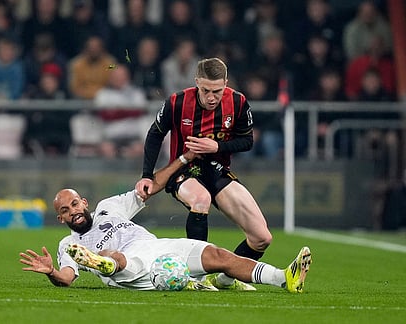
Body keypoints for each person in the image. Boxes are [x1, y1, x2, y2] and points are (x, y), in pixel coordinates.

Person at [19, 151, 312, 292]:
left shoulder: (109, 207)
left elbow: (148, 187)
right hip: (128, 271)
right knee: (114, 256)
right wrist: (51, 273)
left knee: (218, 255)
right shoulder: (69, 244)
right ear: (61, 219)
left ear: (84, 202)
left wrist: (183, 160)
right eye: (66, 211)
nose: (74, 211)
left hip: (155, 247)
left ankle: (284, 278)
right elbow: (67, 279)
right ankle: (102, 263)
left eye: (75, 204)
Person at [135, 58, 273, 288]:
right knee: (201, 199)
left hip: (217, 171)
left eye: (217, 91)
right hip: (183, 169)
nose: (211, 97)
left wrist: (218, 147)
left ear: (226, 84)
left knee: (262, 238)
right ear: (197, 82)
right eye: (206, 90)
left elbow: (247, 141)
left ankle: (226, 279)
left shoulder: (238, 102)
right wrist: (147, 175)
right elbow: (155, 134)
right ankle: (194, 278)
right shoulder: (178, 102)